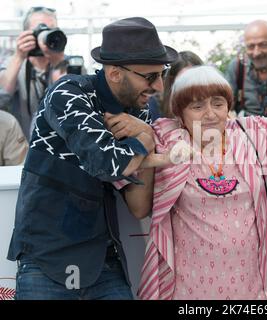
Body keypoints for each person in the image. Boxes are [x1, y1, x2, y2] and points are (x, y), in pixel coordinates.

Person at [7, 17, 178, 300]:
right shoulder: (68, 93)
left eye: (162, 74)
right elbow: (105, 163)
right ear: (114, 74)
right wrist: (146, 140)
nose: (159, 86)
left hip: (103, 262)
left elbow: (138, 207)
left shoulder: (139, 113)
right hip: (46, 260)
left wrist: (146, 135)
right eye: (150, 76)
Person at [131, 64, 267, 300]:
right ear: (179, 114)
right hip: (188, 291)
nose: (210, 114)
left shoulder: (256, 135)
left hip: (253, 289)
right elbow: (126, 151)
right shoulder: (166, 139)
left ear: (228, 107)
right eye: (197, 106)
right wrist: (147, 138)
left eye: (218, 104)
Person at [0, 7, 68, 141]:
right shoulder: (14, 63)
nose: (46, 34)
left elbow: (68, 102)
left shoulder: (68, 64)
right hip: (22, 144)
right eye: (40, 30)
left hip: (59, 145)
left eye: (51, 30)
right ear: (26, 34)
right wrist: (19, 56)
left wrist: (58, 63)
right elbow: (2, 97)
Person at [225, 20, 267, 118]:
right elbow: (225, 106)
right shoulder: (237, 67)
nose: (256, 52)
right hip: (245, 130)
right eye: (251, 46)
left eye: (263, 44)